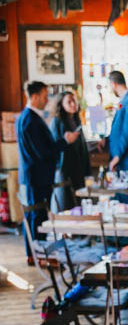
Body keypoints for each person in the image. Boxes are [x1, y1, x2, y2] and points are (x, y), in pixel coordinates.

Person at [16, 81, 80, 256]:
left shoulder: (28, 117)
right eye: (45, 96)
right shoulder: (30, 120)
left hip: (35, 176)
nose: (47, 100)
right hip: (35, 177)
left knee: (37, 215)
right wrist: (65, 141)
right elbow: (43, 152)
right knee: (36, 216)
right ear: (35, 96)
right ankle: (37, 254)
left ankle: (38, 252)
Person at [50, 89, 91, 211]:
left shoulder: (77, 119)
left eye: (74, 101)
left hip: (79, 170)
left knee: (80, 205)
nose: (73, 104)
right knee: (65, 206)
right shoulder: (57, 122)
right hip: (65, 170)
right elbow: (55, 147)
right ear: (61, 105)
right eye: (69, 102)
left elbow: (81, 145)